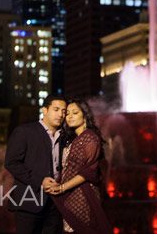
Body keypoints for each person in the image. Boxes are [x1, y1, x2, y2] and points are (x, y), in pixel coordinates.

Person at [5, 94, 67, 234]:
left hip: (56, 204)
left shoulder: (64, 136)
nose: (61, 114)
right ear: (45, 110)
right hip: (29, 201)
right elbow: (11, 163)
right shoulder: (24, 131)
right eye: (56, 109)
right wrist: (40, 181)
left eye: (63, 111)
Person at [50, 99, 112, 234]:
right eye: (67, 114)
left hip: (82, 196)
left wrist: (62, 187)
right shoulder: (73, 139)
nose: (70, 116)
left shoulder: (89, 138)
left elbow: (88, 172)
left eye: (75, 113)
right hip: (69, 195)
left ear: (84, 115)